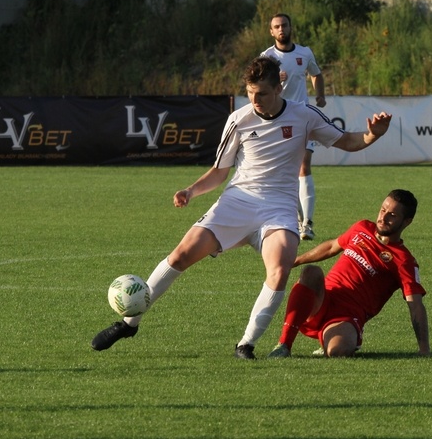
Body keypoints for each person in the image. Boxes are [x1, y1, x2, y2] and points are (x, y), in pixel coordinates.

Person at [91, 57, 392, 359]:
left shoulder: (305, 116)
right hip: (237, 202)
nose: (255, 100)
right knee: (180, 255)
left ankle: (245, 344)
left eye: (261, 93)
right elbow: (220, 171)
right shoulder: (239, 118)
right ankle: (130, 323)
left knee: (279, 269)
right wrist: (190, 191)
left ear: (278, 88)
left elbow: (348, 141)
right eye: (250, 92)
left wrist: (373, 134)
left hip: (279, 207)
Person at [268, 189, 429, 359]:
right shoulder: (362, 228)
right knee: (311, 272)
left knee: (337, 351)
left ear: (407, 222)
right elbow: (332, 246)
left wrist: (424, 349)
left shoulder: (404, 260)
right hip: (323, 299)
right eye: (383, 210)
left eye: (392, 215)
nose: (383, 217)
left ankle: (333, 339)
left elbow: (416, 305)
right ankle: (284, 345)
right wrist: (297, 260)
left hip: (346, 316)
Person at [261, 13, 326, 241]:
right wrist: (274, 80)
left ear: (290, 27)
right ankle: (295, 219)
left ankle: (307, 223)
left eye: (284, 25)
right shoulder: (267, 57)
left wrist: (320, 96)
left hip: (302, 116)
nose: (281, 29)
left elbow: (316, 74)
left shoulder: (304, 53)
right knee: (282, 173)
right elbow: (259, 87)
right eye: (276, 26)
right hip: (277, 119)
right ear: (271, 31)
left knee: (303, 166)